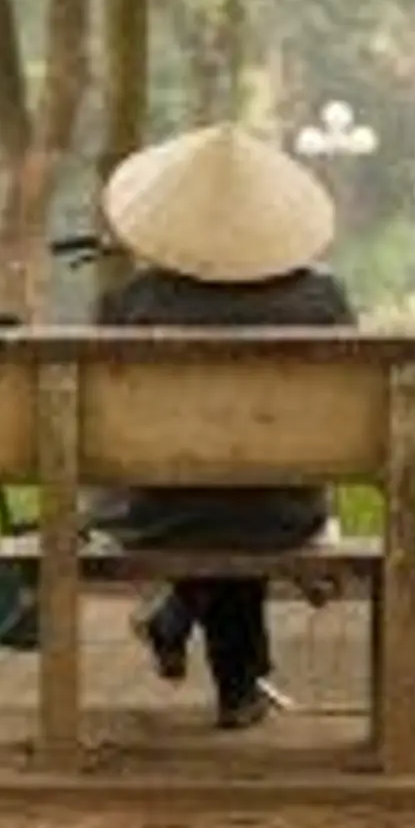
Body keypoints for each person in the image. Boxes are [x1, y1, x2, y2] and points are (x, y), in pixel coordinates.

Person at [86, 122, 357, 730]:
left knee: (211, 495)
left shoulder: (135, 303)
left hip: (159, 510)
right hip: (285, 510)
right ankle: (235, 683)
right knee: (245, 493)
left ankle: (193, 625)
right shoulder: (324, 302)